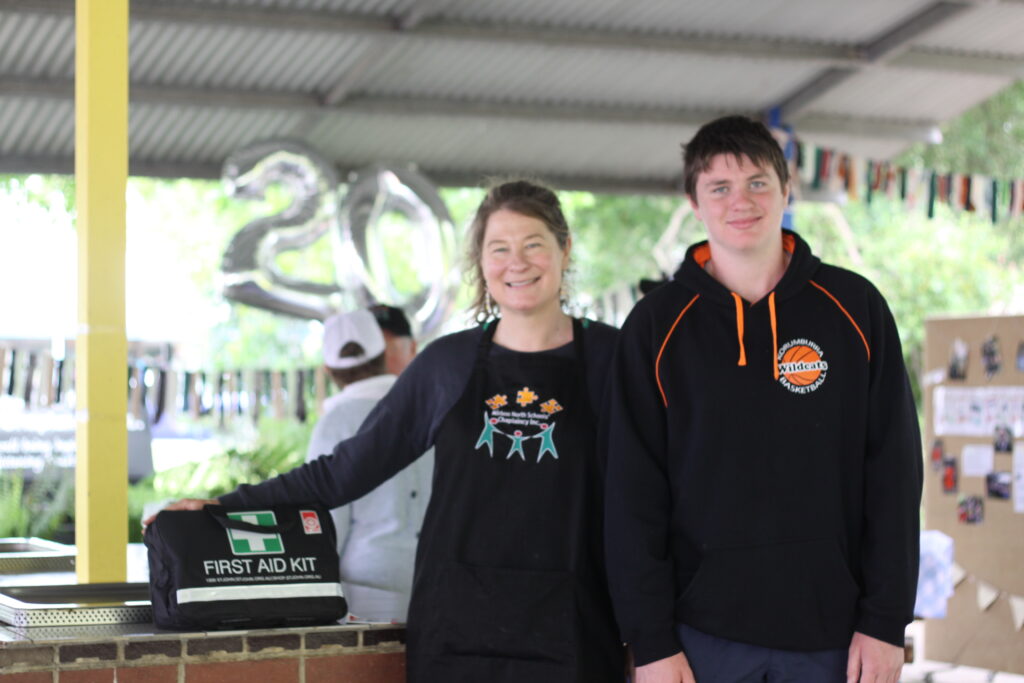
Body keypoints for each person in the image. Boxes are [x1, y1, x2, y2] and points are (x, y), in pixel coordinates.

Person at [148, 180, 625, 682]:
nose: (517, 263)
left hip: (576, 627)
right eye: (499, 248)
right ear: (481, 264)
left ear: (564, 250)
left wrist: (651, 633)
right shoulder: (449, 364)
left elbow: (649, 500)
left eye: (534, 245)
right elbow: (346, 471)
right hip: (460, 629)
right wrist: (227, 506)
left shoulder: (614, 359)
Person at [603, 116, 923, 683]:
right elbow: (631, 495)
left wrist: (885, 621)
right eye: (719, 187)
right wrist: (649, 640)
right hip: (699, 637)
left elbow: (894, 475)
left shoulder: (854, 307)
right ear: (694, 202)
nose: (740, 202)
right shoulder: (655, 326)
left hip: (835, 635)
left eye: (756, 183)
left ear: (786, 188)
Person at [306, 304, 432, 622]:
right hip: (432, 573)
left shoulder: (337, 422)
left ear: (328, 370)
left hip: (364, 583)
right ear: (382, 355)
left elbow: (326, 520)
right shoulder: (429, 408)